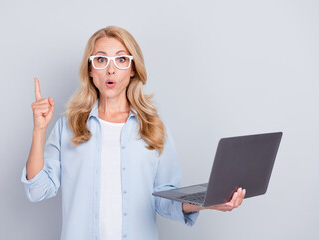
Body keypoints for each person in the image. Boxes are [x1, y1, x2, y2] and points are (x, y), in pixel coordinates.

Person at [21, 26, 245, 240]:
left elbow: (165, 200)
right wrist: (39, 130)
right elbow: (38, 190)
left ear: (133, 69)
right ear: (90, 70)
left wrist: (208, 202)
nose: (110, 69)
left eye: (121, 59)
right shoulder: (68, 126)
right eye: (101, 59)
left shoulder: (153, 127)